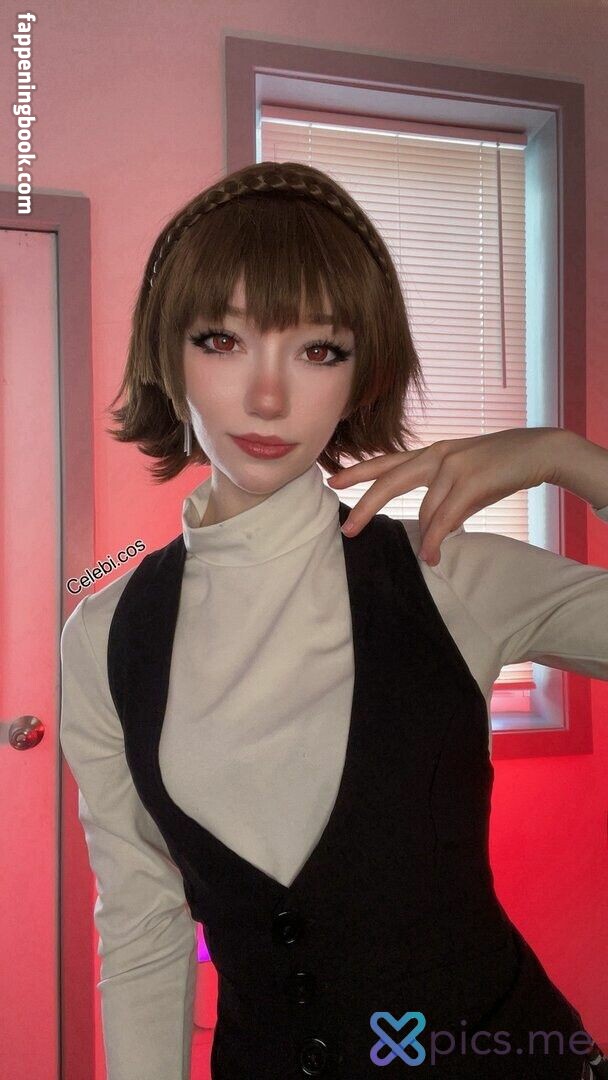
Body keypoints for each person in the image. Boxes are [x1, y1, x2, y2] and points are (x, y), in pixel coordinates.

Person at [59, 161, 608, 1079]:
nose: (268, 397)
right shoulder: (104, 637)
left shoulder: (448, 573)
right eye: (221, 339)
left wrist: (571, 459)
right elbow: (144, 930)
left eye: (320, 350)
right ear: (167, 353)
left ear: (361, 375)